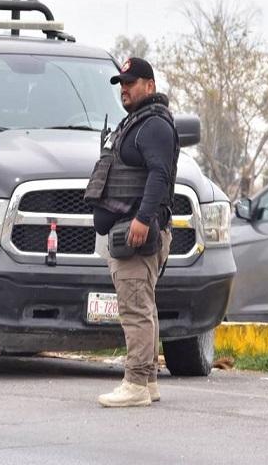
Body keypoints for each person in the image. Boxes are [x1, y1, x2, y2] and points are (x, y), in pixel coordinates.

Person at [84, 56, 179, 407]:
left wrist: (142, 218)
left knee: (135, 309)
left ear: (149, 85)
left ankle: (135, 383)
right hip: (129, 230)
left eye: (131, 83)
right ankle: (148, 381)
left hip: (137, 233)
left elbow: (159, 174)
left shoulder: (154, 125)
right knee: (144, 306)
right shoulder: (137, 122)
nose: (124, 89)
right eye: (121, 84)